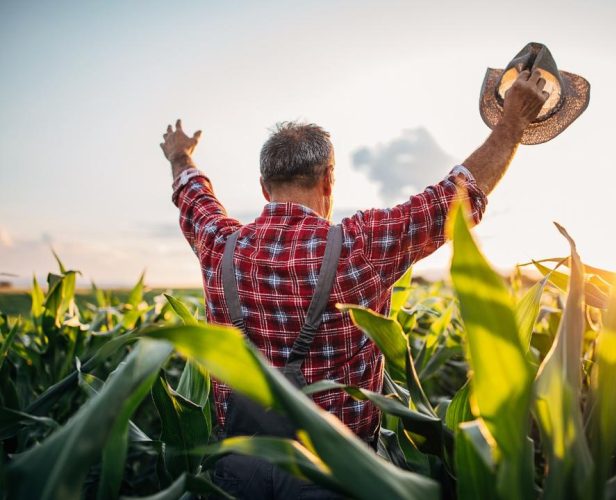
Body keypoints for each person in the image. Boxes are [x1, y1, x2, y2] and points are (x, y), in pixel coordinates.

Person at [160, 69, 549, 498]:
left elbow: (193, 195)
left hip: (238, 470)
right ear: (329, 178)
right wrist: (512, 123)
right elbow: (457, 197)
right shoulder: (360, 246)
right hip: (333, 474)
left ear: (263, 188)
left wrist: (181, 155)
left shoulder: (219, 243)